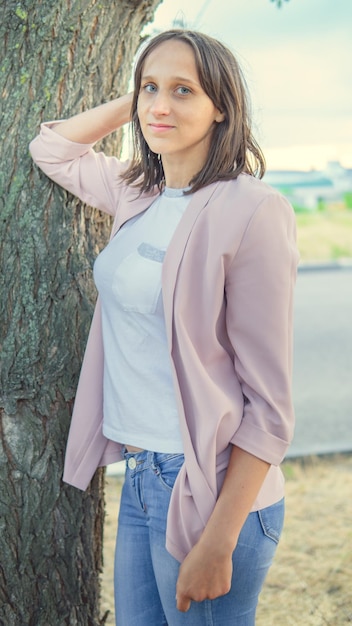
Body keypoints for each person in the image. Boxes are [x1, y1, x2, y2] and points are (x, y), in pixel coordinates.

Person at [30, 29, 299, 626]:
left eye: (185, 91)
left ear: (221, 106)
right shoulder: (139, 193)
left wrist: (220, 540)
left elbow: (270, 407)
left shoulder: (252, 210)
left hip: (210, 487)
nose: (161, 105)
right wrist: (142, 98)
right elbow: (51, 150)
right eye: (151, 87)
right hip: (144, 475)